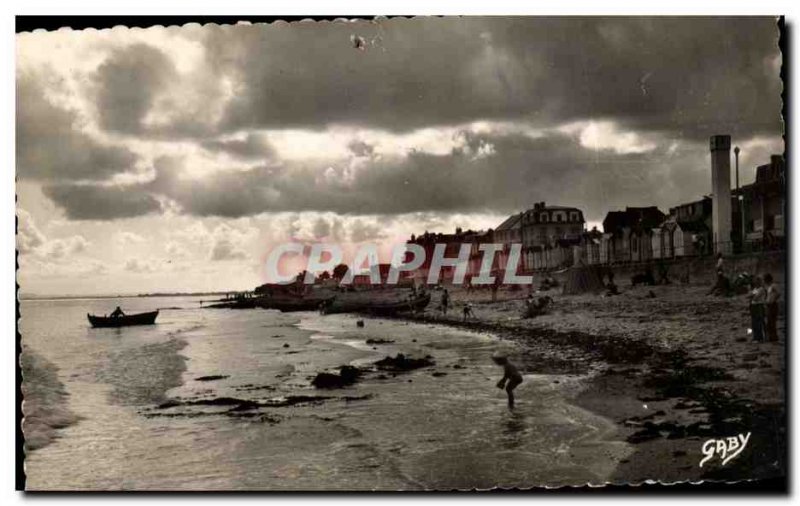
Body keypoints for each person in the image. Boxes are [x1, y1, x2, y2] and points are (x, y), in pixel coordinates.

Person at [748, 276, 766, 343]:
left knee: (758, 322)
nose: (755, 282)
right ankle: (756, 337)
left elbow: (755, 298)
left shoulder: (761, 289)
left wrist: (751, 296)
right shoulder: (756, 289)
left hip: (758, 306)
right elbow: (749, 295)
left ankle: (759, 338)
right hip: (754, 306)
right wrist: (751, 295)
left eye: (757, 281)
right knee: (754, 322)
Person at [764, 273, 781, 342]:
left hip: (773, 305)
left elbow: (779, 293)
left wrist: (773, 299)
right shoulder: (769, 287)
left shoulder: (774, 285)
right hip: (769, 305)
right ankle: (771, 337)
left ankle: (774, 338)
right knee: (769, 322)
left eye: (765, 279)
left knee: (772, 322)